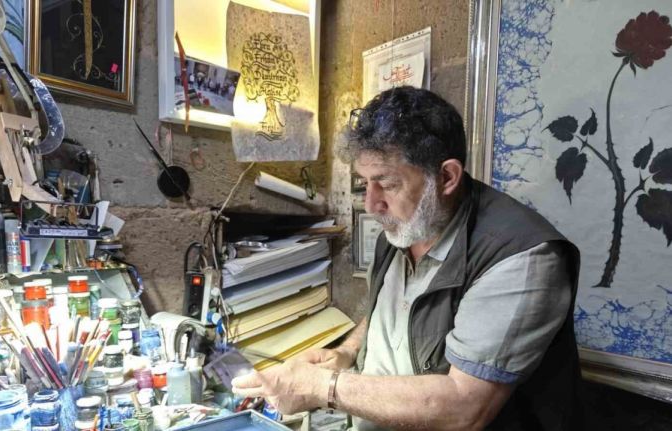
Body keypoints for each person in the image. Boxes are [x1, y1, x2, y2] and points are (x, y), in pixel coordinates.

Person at [233, 86, 583, 430]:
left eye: (386, 183)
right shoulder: (406, 227)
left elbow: (465, 406)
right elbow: (392, 312)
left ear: (446, 177)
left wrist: (323, 387)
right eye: (365, 183)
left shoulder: (521, 257)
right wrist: (348, 352)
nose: (372, 205)